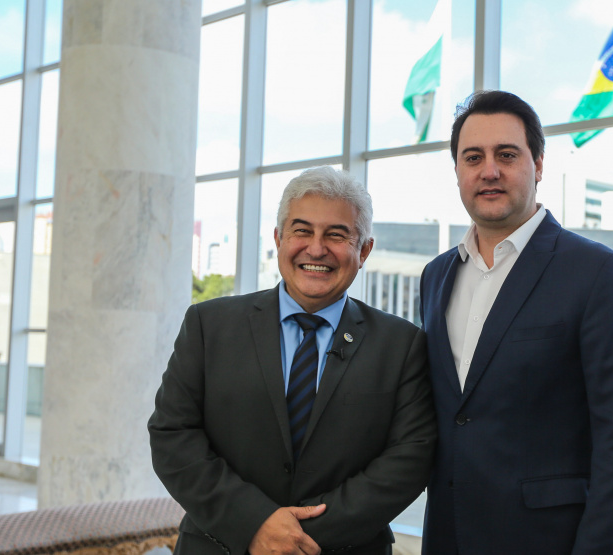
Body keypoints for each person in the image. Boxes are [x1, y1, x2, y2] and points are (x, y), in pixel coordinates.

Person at [149, 166, 436, 555]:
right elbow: (173, 435)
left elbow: (410, 457)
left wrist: (298, 539)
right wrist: (254, 524)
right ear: (278, 239)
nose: (316, 249)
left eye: (336, 235)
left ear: (364, 250)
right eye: (302, 231)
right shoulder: (209, 325)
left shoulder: (402, 344)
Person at [419, 90, 613, 554]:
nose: (489, 170)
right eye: (473, 157)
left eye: (507, 155)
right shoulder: (436, 276)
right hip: (448, 537)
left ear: (539, 165)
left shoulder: (599, 272)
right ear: (458, 171)